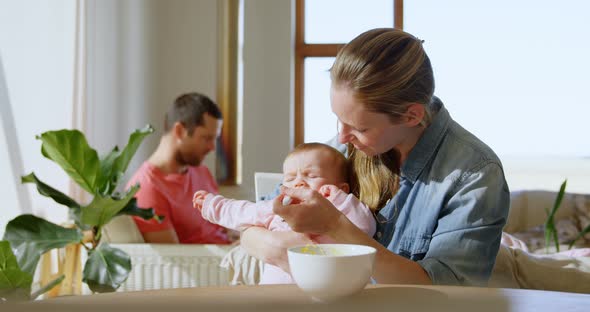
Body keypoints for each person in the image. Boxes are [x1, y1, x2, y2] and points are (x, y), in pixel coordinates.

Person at [241, 28, 510, 286]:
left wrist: (335, 226)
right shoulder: (342, 150)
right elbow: (252, 223)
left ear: (411, 115)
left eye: (360, 127)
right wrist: (274, 246)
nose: (343, 137)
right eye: (338, 120)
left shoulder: (474, 174)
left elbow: (445, 294)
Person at [193, 143, 376, 284]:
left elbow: (365, 226)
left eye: (311, 176)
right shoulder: (277, 207)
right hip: (275, 297)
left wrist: (339, 199)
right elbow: (244, 211)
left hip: (326, 296)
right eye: (290, 178)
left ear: (340, 187)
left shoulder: (339, 209)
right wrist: (212, 204)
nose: (298, 183)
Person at [126, 92, 232, 244]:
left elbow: (222, 228)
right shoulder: (147, 189)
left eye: (214, 139)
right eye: (207, 138)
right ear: (179, 131)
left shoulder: (201, 172)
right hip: (210, 265)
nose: (213, 148)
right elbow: (173, 261)